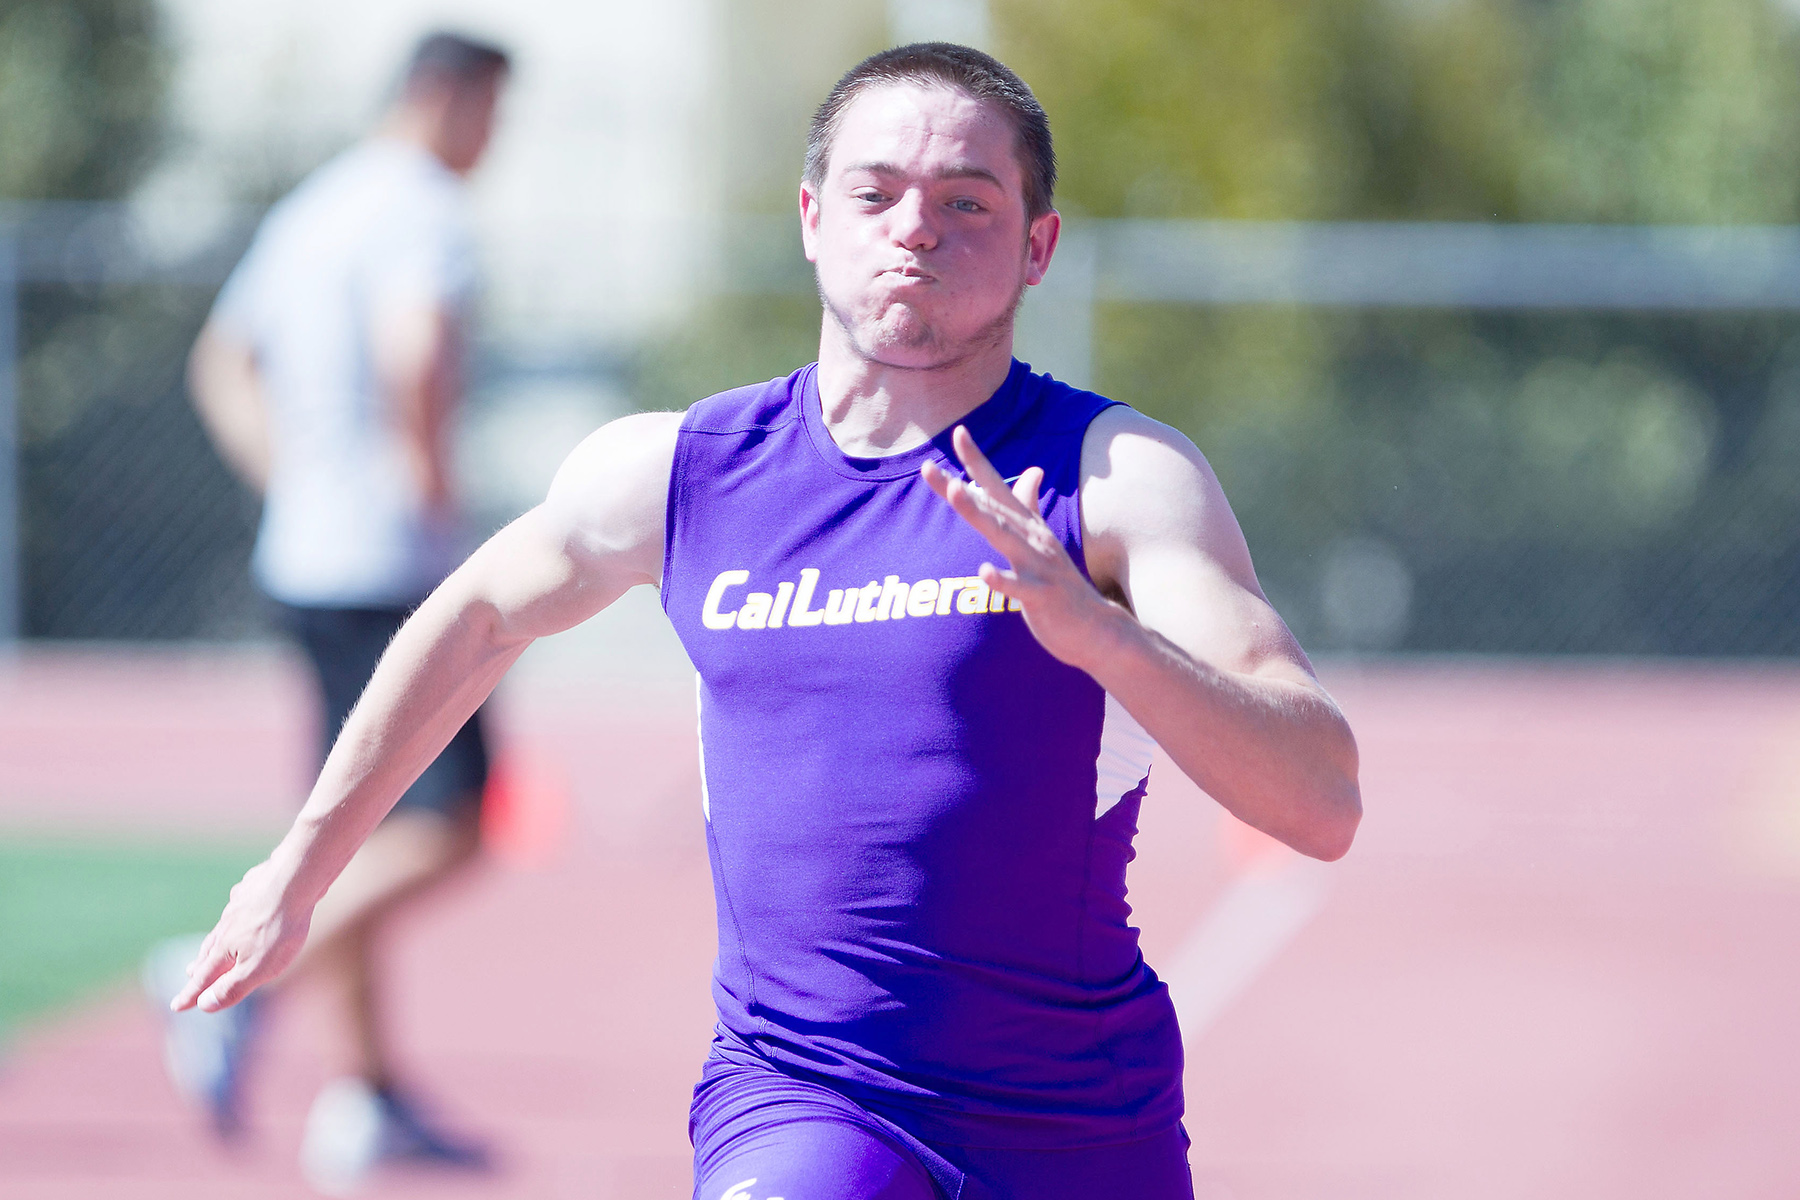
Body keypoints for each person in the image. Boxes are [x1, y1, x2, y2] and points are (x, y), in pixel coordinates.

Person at [171, 42, 1361, 1200]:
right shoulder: (682, 471)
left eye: (968, 200)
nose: (915, 227)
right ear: (810, 217)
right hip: (802, 1098)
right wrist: (299, 868)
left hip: (1077, 1121)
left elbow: (1320, 801)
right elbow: (476, 614)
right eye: (877, 192)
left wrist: (1105, 639)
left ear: (1038, 245)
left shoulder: (1117, 479)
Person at [144, 30, 509, 1192]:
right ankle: (222, 970)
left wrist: (289, 483)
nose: (491, 143)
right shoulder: (423, 210)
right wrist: (436, 505)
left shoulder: (313, 207)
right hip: (390, 562)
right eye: (490, 114)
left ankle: (366, 1098)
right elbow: (417, 352)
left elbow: (221, 360)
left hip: (305, 555)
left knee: (358, 816)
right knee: (451, 824)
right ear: (446, 98)